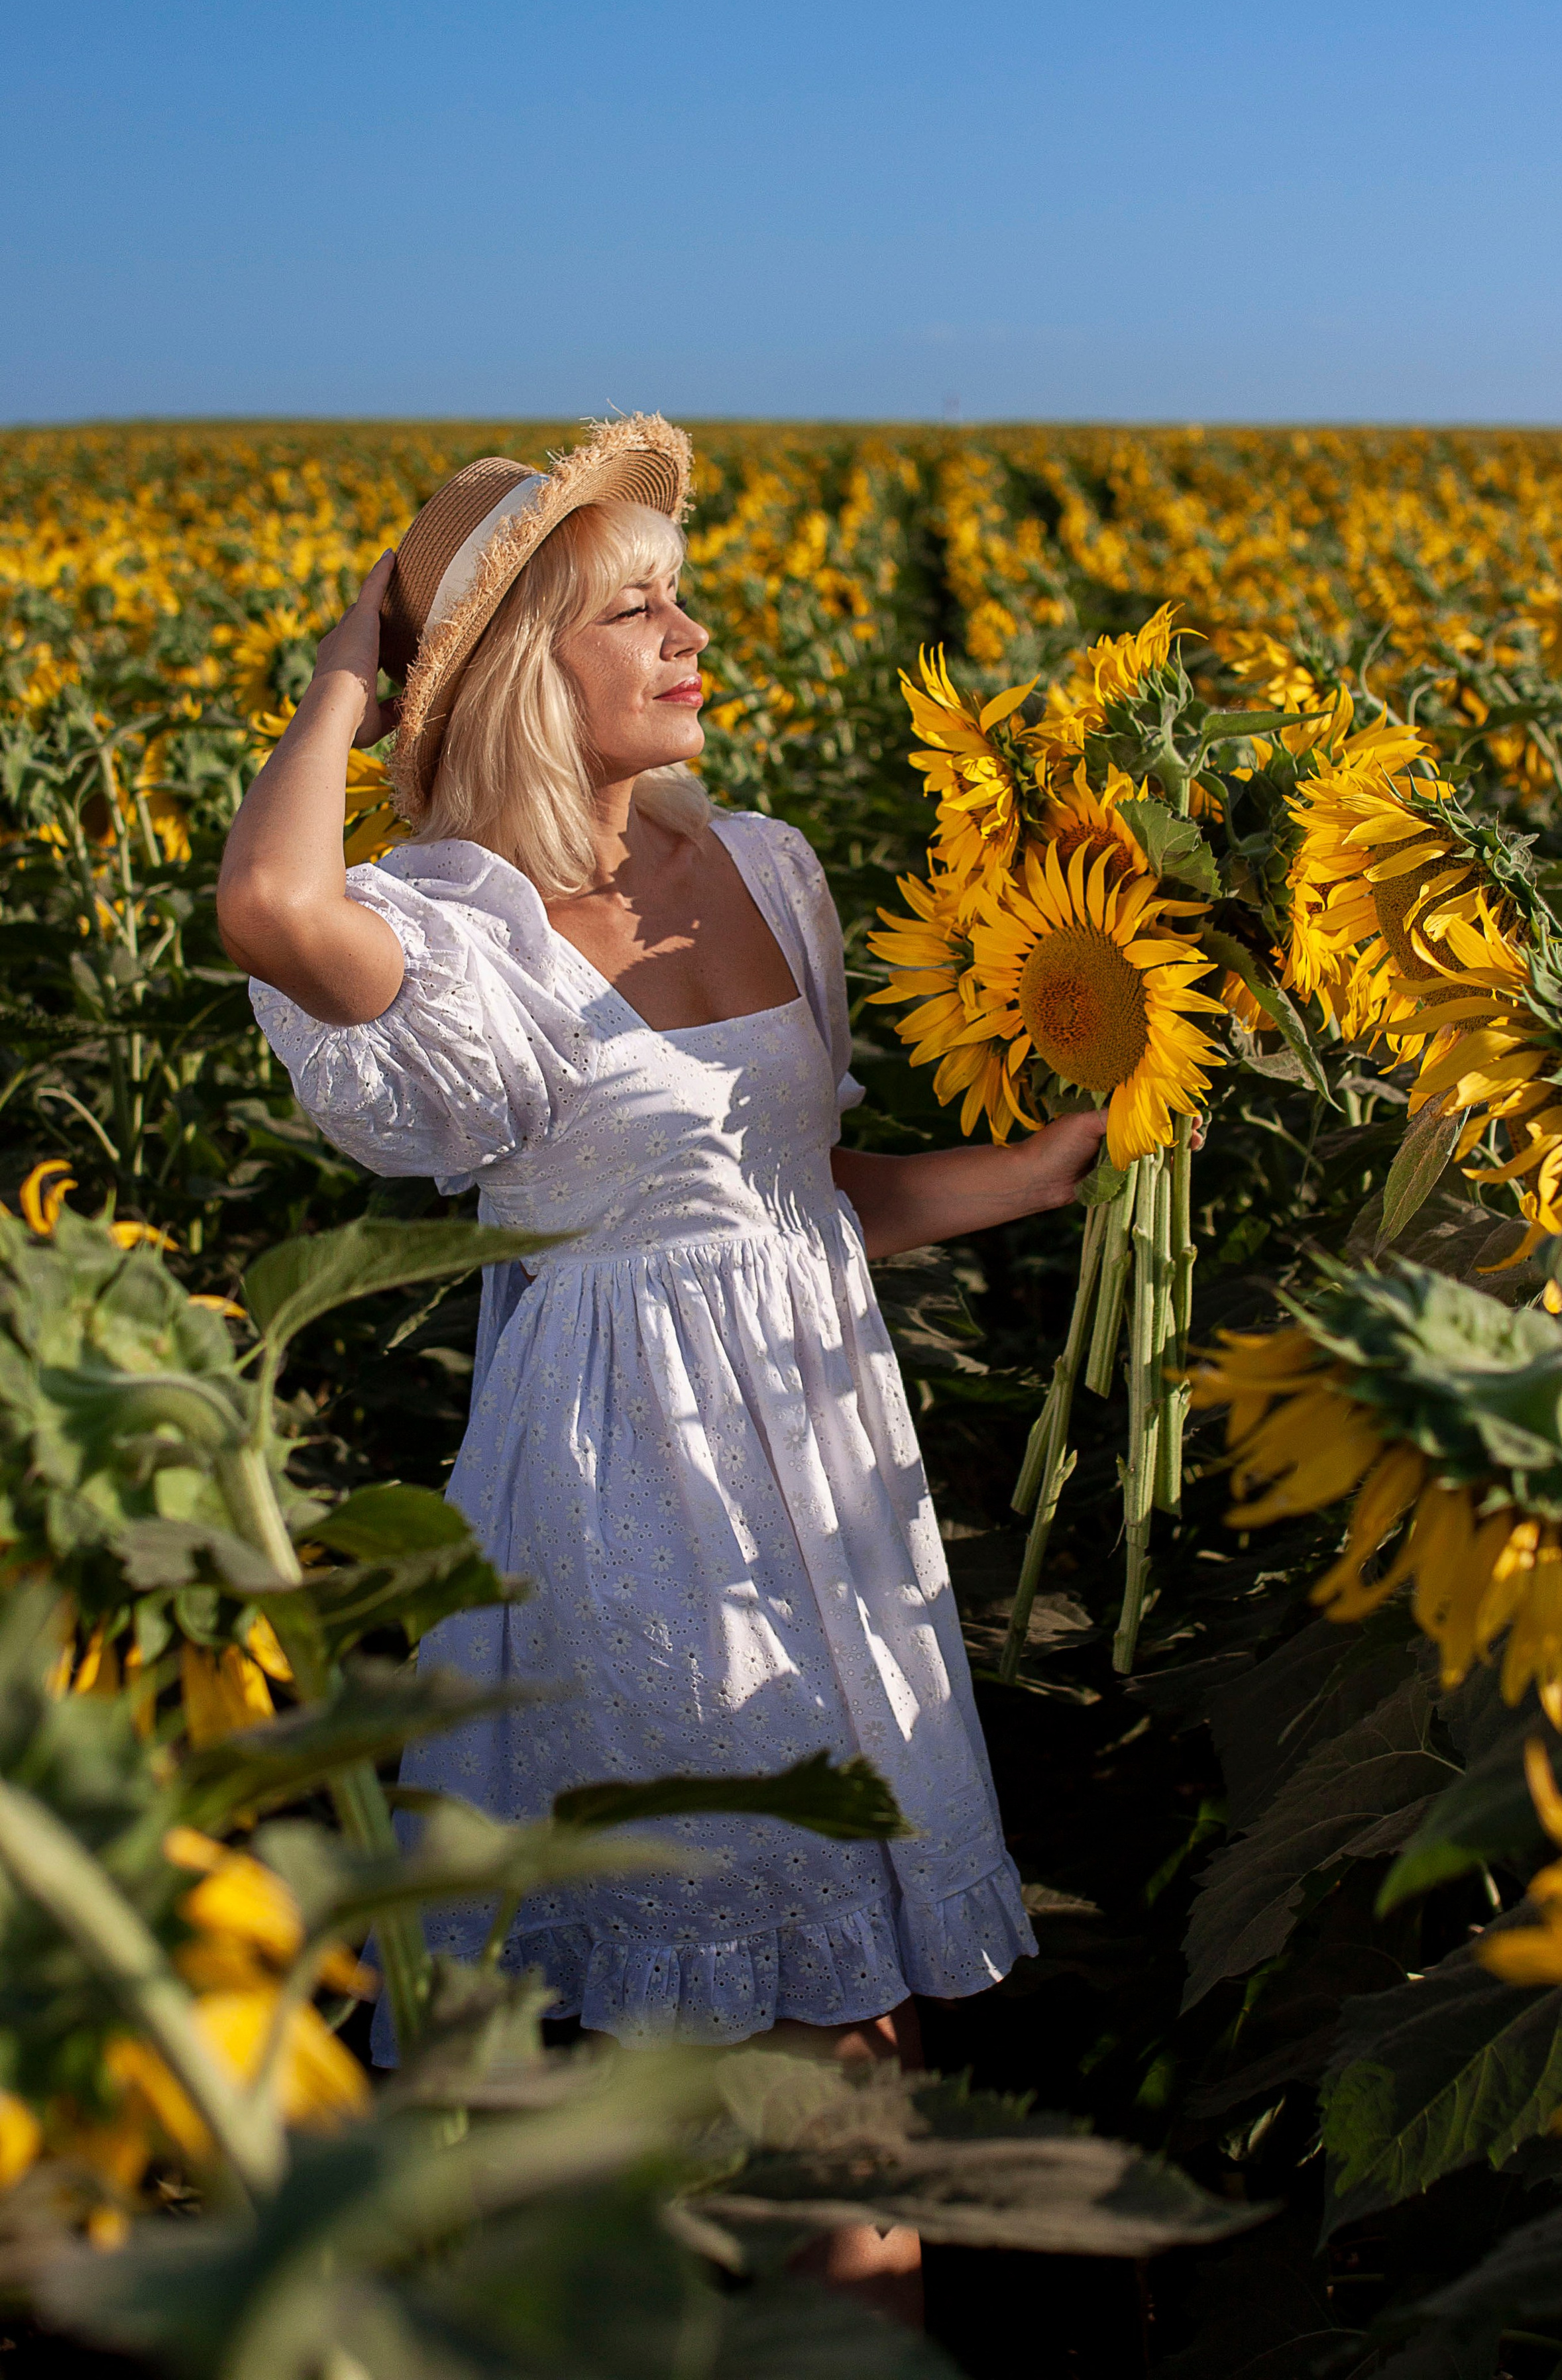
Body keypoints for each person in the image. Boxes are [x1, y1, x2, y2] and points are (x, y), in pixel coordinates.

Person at [218, 417, 1105, 2320]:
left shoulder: (763, 868)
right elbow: (270, 913)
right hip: (639, 1507)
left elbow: (807, 1199)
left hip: (823, 1485)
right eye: (634, 607)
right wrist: (356, 660)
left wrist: (1050, 1169)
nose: (692, 632)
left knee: (841, 2038)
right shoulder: (455, 924)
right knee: (738, 2036)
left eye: (680, 591)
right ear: (528, 669)